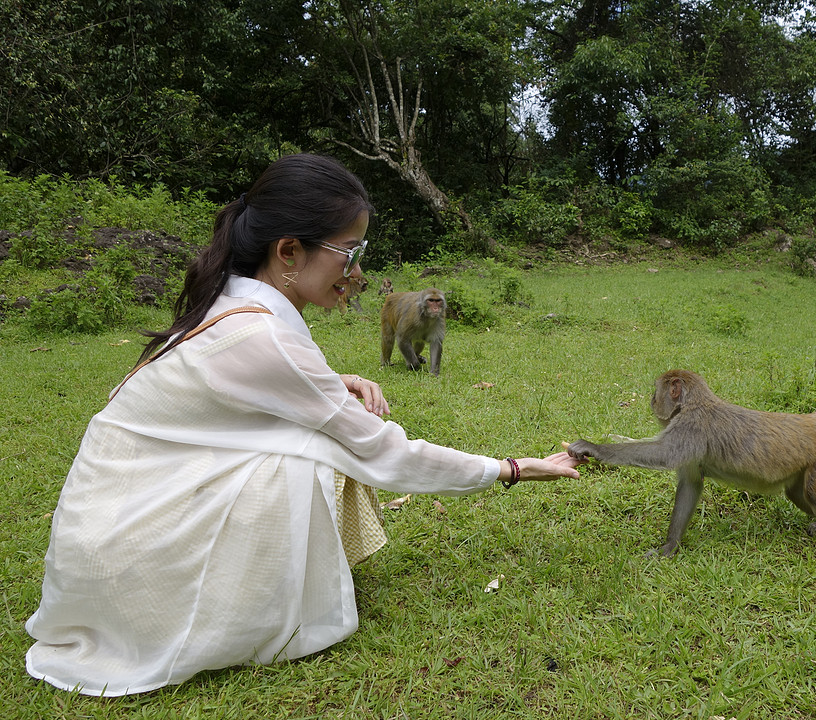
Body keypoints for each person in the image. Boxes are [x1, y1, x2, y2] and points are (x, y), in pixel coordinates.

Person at [24, 154, 582, 697]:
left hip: (105, 534)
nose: (359, 274)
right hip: (124, 552)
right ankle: (265, 611)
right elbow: (387, 454)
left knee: (319, 433)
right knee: (320, 448)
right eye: (350, 253)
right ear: (289, 251)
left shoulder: (236, 301)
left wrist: (331, 380)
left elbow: (240, 387)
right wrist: (513, 468)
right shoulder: (265, 334)